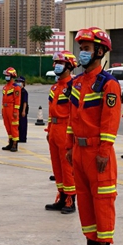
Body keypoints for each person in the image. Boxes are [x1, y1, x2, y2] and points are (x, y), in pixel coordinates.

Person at [65, 27, 121, 245]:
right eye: (81, 49)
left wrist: (104, 150)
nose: (82, 53)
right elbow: (72, 117)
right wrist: (69, 146)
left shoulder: (108, 84)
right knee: (86, 201)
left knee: (102, 201)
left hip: (98, 152)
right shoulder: (77, 82)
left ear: (100, 51)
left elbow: (110, 120)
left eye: (86, 49)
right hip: (79, 151)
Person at [44, 51, 78, 213]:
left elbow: (74, 113)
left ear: (69, 66)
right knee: (56, 166)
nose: (56, 65)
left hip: (66, 129)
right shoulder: (55, 87)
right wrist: (49, 129)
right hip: (54, 130)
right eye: (56, 63)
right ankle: (62, 196)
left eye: (60, 63)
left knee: (67, 167)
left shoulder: (73, 87)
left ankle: (70, 200)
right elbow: (51, 110)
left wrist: (72, 135)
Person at [1, 67, 21, 151]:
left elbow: (17, 100)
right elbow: (3, 99)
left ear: (12, 76)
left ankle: (15, 144)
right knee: (7, 126)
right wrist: (2, 110)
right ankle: (10, 142)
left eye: (7, 75)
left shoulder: (16, 87)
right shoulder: (5, 87)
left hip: (12, 108)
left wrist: (15, 111)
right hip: (5, 108)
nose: (6, 77)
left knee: (13, 126)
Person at [17, 76, 29, 144]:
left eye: (20, 82)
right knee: (18, 124)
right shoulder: (17, 91)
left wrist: (23, 111)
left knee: (23, 124)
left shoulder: (24, 92)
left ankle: (23, 138)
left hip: (22, 110)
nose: (18, 83)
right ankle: (18, 137)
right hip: (17, 109)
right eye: (18, 81)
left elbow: (25, 102)